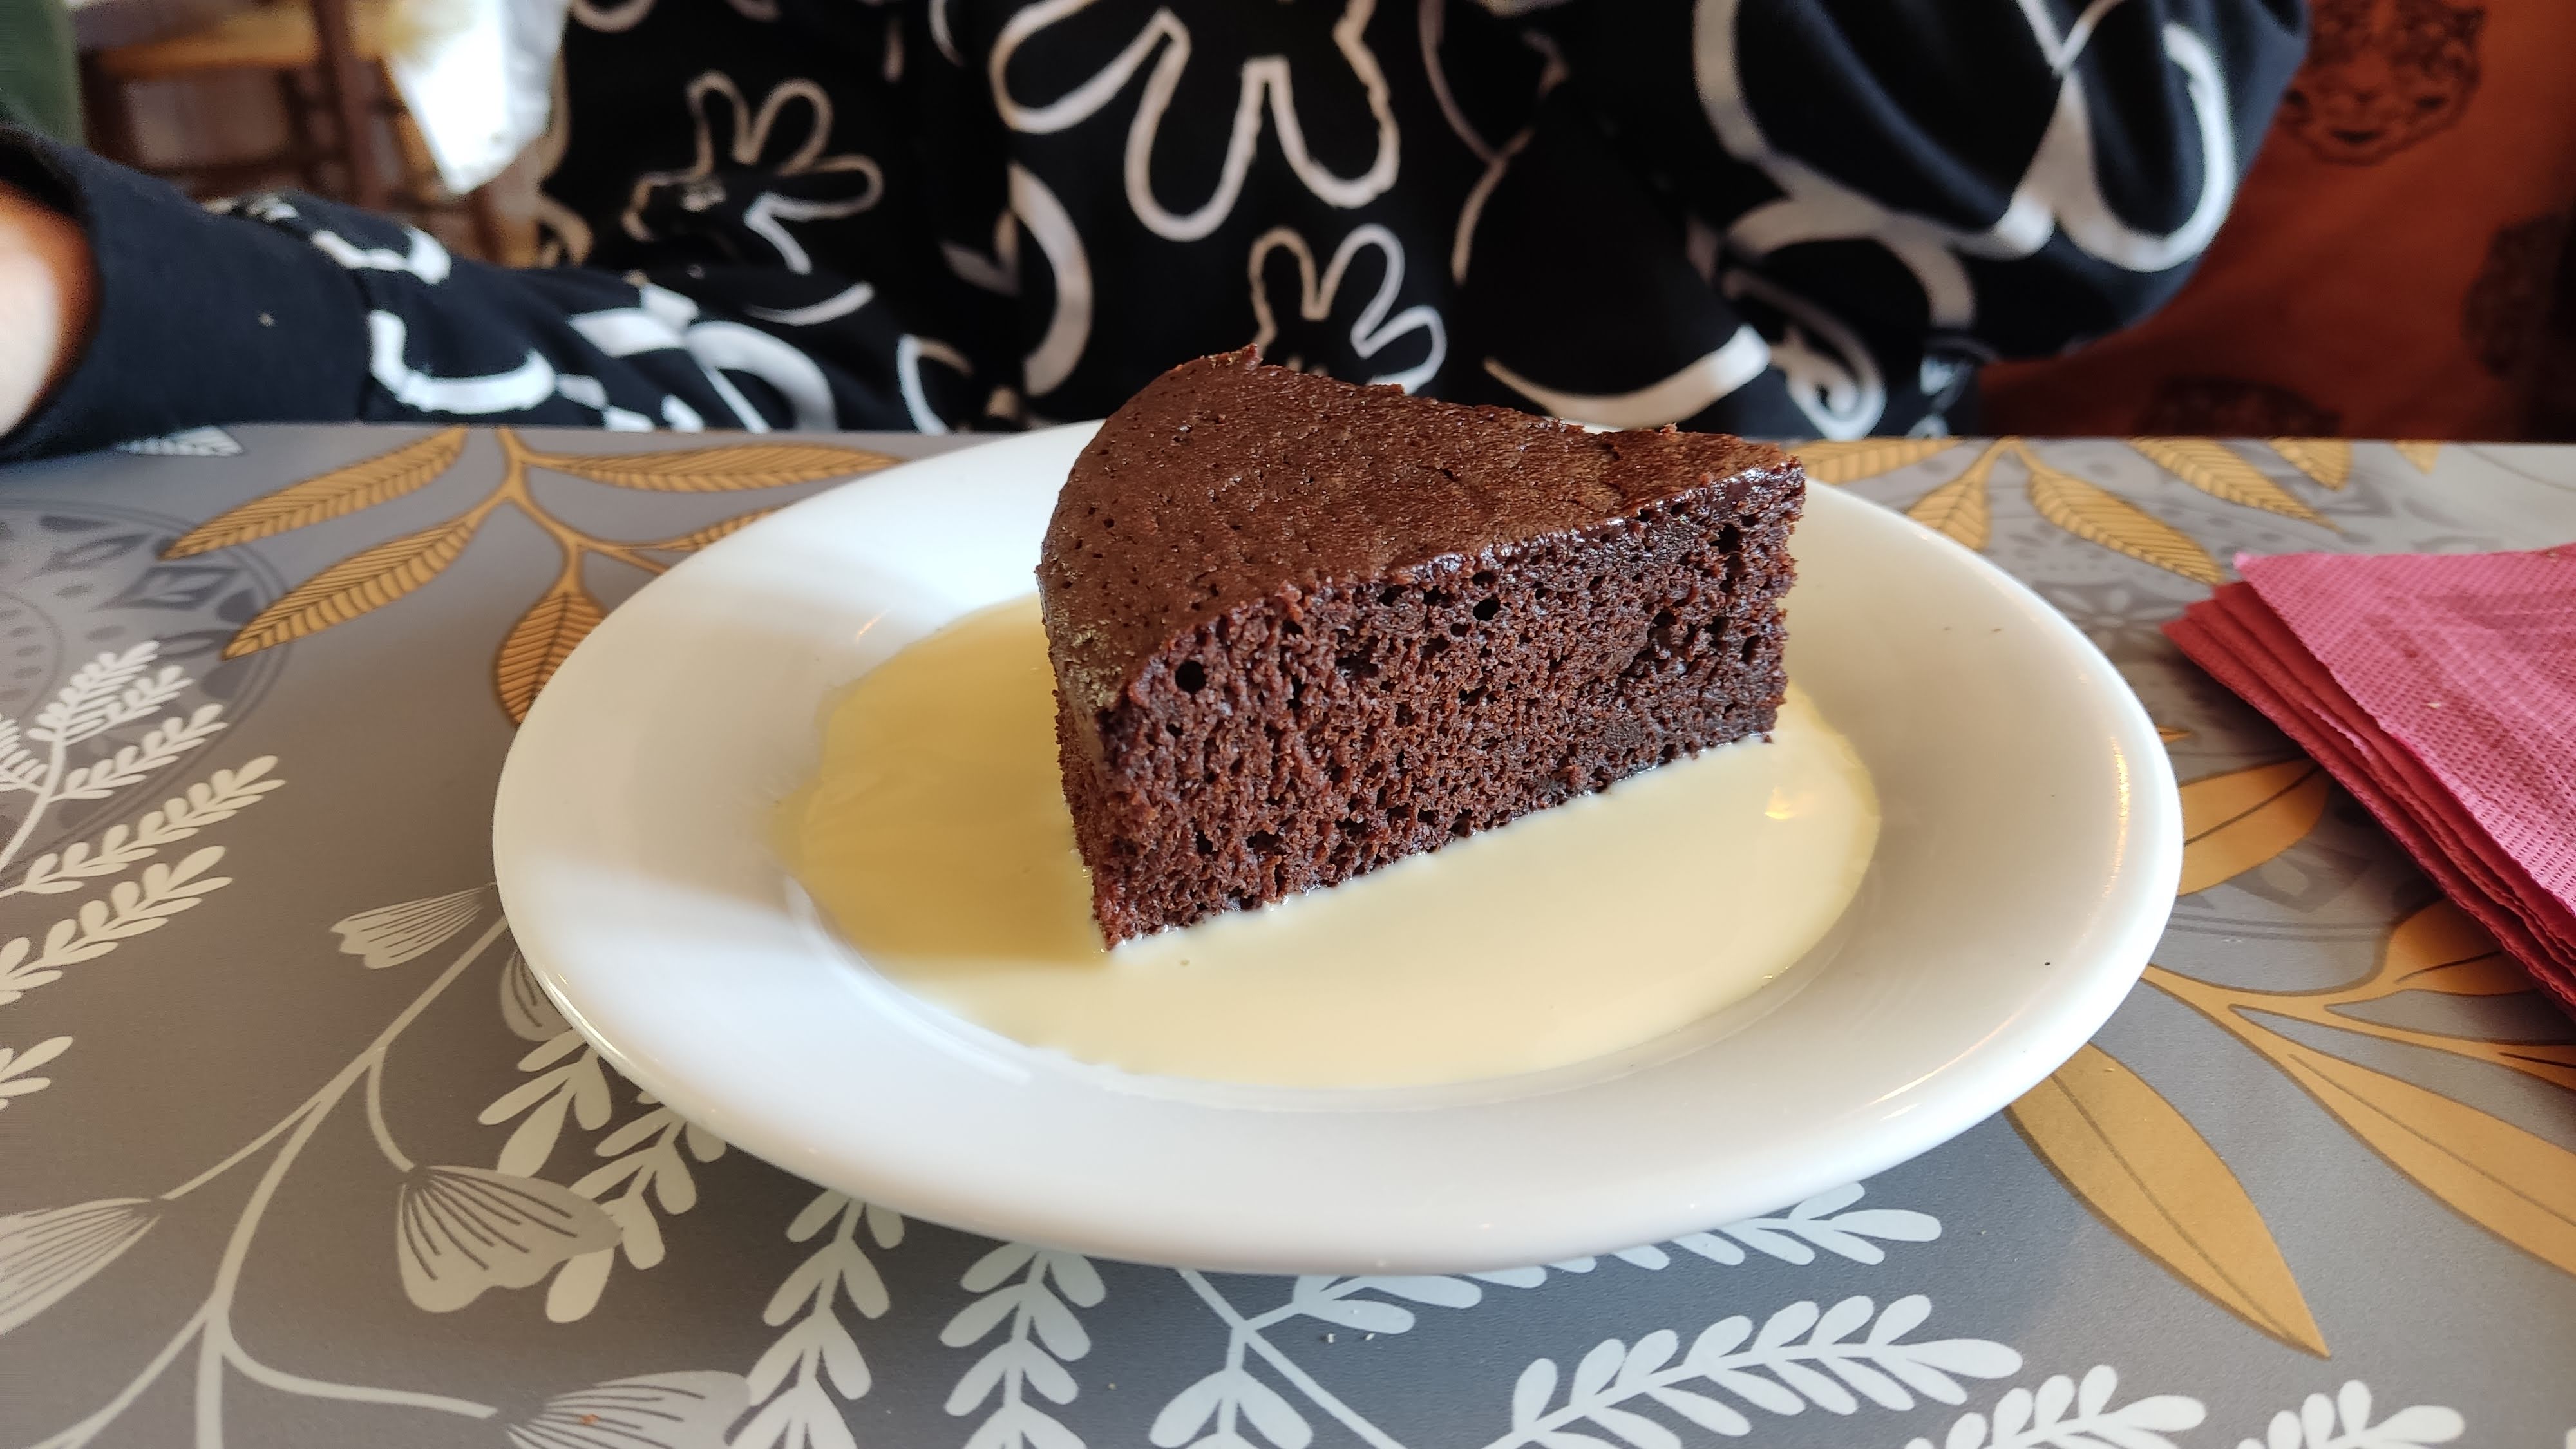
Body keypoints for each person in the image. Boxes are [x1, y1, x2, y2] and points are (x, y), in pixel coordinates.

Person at [0, 0, 2304, 463]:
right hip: (1038, 739)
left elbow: (2097, 172)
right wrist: (130, 294)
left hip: (1782, 660)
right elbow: (763, 351)